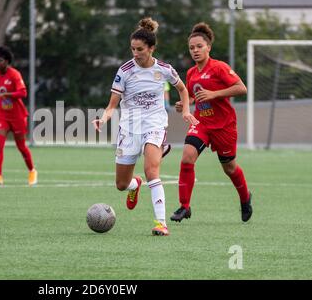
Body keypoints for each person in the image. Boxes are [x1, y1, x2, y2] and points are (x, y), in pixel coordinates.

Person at [92, 18, 198, 236]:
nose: (135, 53)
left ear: (151, 48)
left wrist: (186, 111)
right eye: (132, 49)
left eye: (140, 49)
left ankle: (161, 223)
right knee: (121, 184)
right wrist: (103, 119)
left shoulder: (165, 70)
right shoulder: (125, 71)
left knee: (152, 170)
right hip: (129, 129)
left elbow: (183, 89)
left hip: (155, 125)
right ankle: (134, 185)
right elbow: (112, 104)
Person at [169, 22, 253, 223]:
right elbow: (192, 97)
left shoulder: (219, 67)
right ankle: (184, 206)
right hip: (202, 124)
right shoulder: (191, 73)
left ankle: (245, 198)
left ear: (208, 48)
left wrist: (214, 94)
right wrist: (184, 104)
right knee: (187, 158)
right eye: (191, 48)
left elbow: (242, 88)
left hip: (224, 126)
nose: (195, 50)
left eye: (199, 46)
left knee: (229, 168)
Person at [0, 46, 38, 186]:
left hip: (18, 116)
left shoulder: (14, 74)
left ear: (7, 61)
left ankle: (32, 171)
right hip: (2, 115)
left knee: (21, 146)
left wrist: (6, 95)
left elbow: (23, 93)